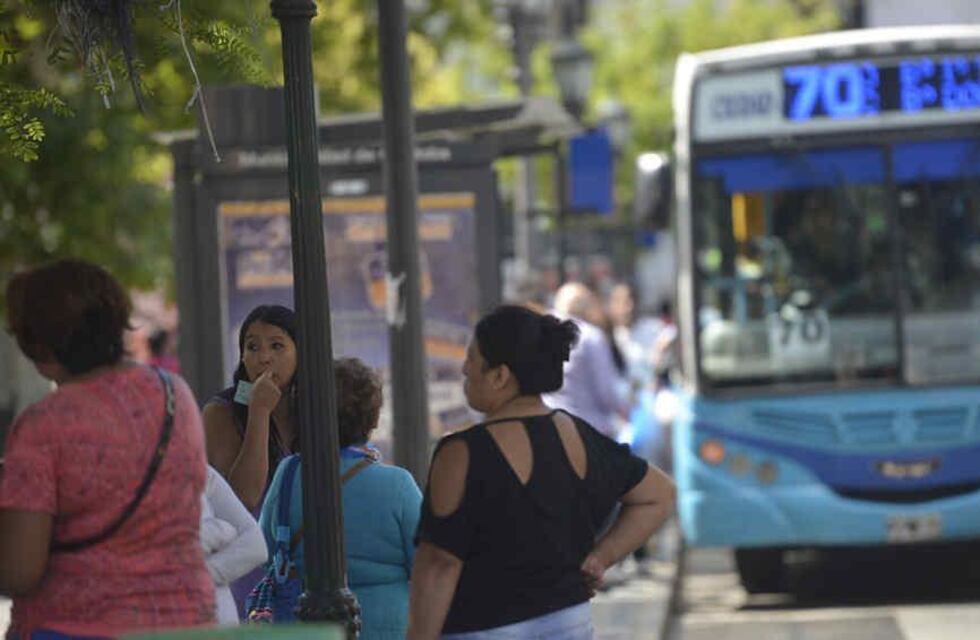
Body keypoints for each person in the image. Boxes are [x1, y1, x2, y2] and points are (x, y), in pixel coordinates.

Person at [407, 305, 676, 639]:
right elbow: (660, 494)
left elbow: (439, 563)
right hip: (569, 622)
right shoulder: (577, 435)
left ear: (500, 376)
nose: (464, 369)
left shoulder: (459, 453)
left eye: (473, 358)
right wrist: (601, 557)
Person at [0, 259, 214, 636]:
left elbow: (20, 570)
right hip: (185, 623)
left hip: (77, 626)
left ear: (39, 344)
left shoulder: (43, 425)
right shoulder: (174, 396)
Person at [259, 357, 421, 638]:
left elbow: (266, 549)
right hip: (388, 626)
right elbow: (424, 562)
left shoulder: (289, 474)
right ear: (371, 418)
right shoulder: (398, 485)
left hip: (308, 626)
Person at [203, 304, 299, 512]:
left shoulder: (313, 405)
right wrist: (259, 412)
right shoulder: (221, 411)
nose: (263, 358)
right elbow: (243, 499)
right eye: (252, 347)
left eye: (276, 346)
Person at [543, 283, 631, 439]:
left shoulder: (541, 336)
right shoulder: (590, 337)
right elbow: (606, 392)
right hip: (589, 431)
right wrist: (626, 410)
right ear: (586, 307)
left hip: (551, 429)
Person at [201, 465, 268, 625]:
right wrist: (222, 532)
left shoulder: (200, 472)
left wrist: (198, 575)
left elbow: (257, 548)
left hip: (219, 623)